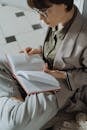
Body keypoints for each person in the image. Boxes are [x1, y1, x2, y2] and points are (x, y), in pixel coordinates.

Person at [0, 1, 87, 130]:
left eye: (44, 12)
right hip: (42, 68)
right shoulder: (57, 19)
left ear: (63, 3)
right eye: (38, 12)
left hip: (59, 86)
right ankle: (17, 101)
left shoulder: (84, 35)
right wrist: (40, 50)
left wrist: (64, 76)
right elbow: (60, 48)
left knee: (13, 125)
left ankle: (12, 103)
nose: (40, 18)